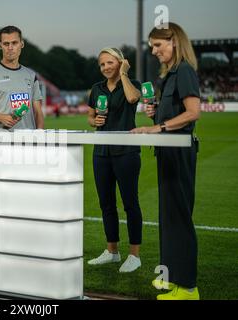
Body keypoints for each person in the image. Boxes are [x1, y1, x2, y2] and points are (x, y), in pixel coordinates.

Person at [131, 22, 201, 300]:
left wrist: (156, 128)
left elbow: (193, 112)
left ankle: (188, 288)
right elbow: (171, 115)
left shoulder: (184, 70)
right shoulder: (169, 75)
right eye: (152, 47)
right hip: (167, 151)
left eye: (158, 45)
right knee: (169, 218)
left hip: (179, 152)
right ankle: (172, 278)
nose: (155, 51)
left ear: (174, 42)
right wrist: (155, 115)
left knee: (179, 218)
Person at [0, 25, 45, 270]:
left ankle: (22, 247)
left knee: (27, 199)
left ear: (22, 44)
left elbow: (37, 111)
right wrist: (1, 117)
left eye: (14, 43)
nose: (10, 47)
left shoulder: (31, 76)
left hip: (28, 149)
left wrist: (41, 138)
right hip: (1, 148)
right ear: (0, 46)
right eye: (6, 43)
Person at [86, 47, 143, 273]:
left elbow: (132, 98)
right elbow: (90, 117)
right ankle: (112, 251)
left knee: (130, 203)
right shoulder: (96, 88)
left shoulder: (133, 83)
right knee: (106, 204)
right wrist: (94, 120)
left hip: (126, 151)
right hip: (101, 151)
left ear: (121, 62)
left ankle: (134, 255)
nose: (106, 68)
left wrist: (124, 75)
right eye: (102, 64)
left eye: (110, 62)